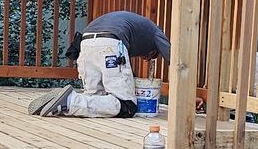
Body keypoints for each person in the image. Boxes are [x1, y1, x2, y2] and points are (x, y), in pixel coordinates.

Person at [29, 9, 171, 118]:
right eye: (151, 55)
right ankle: (71, 101)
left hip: (86, 43)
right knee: (127, 105)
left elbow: (122, 70)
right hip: (110, 44)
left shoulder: (134, 24)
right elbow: (174, 59)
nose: (146, 58)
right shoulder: (155, 32)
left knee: (96, 96)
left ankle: (58, 105)